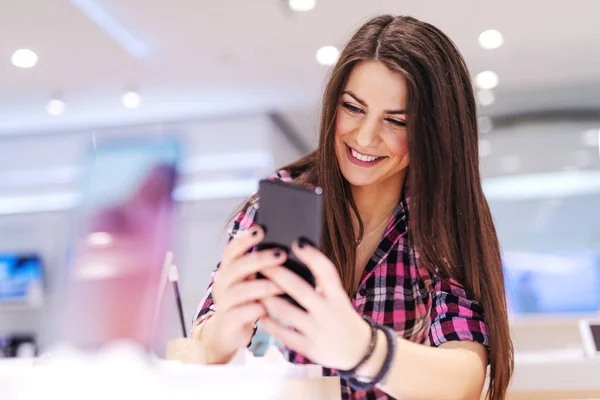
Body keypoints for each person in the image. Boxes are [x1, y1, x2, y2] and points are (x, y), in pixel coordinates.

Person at [192, 14, 513, 400]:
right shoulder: (282, 200)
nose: (364, 137)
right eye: (353, 108)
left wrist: (364, 349)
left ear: (433, 131)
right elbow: (202, 349)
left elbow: (463, 380)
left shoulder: (441, 224)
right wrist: (226, 329)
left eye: (395, 121)